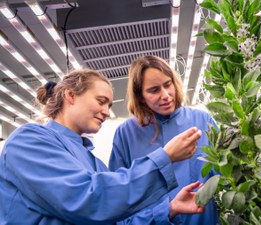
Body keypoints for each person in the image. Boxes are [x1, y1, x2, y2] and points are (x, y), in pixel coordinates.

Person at [0, 69, 205, 224]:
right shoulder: (29, 140)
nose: (107, 111)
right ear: (70, 96)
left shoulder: (94, 163)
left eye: (109, 105)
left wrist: (169, 209)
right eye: (101, 101)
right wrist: (164, 158)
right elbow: (88, 200)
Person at [109, 55, 219, 225]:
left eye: (168, 84)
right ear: (140, 96)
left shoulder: (202, 120)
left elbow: (225, 174)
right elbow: (121, 196)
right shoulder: (126, 134)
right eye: (154, 90)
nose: (166, 95)